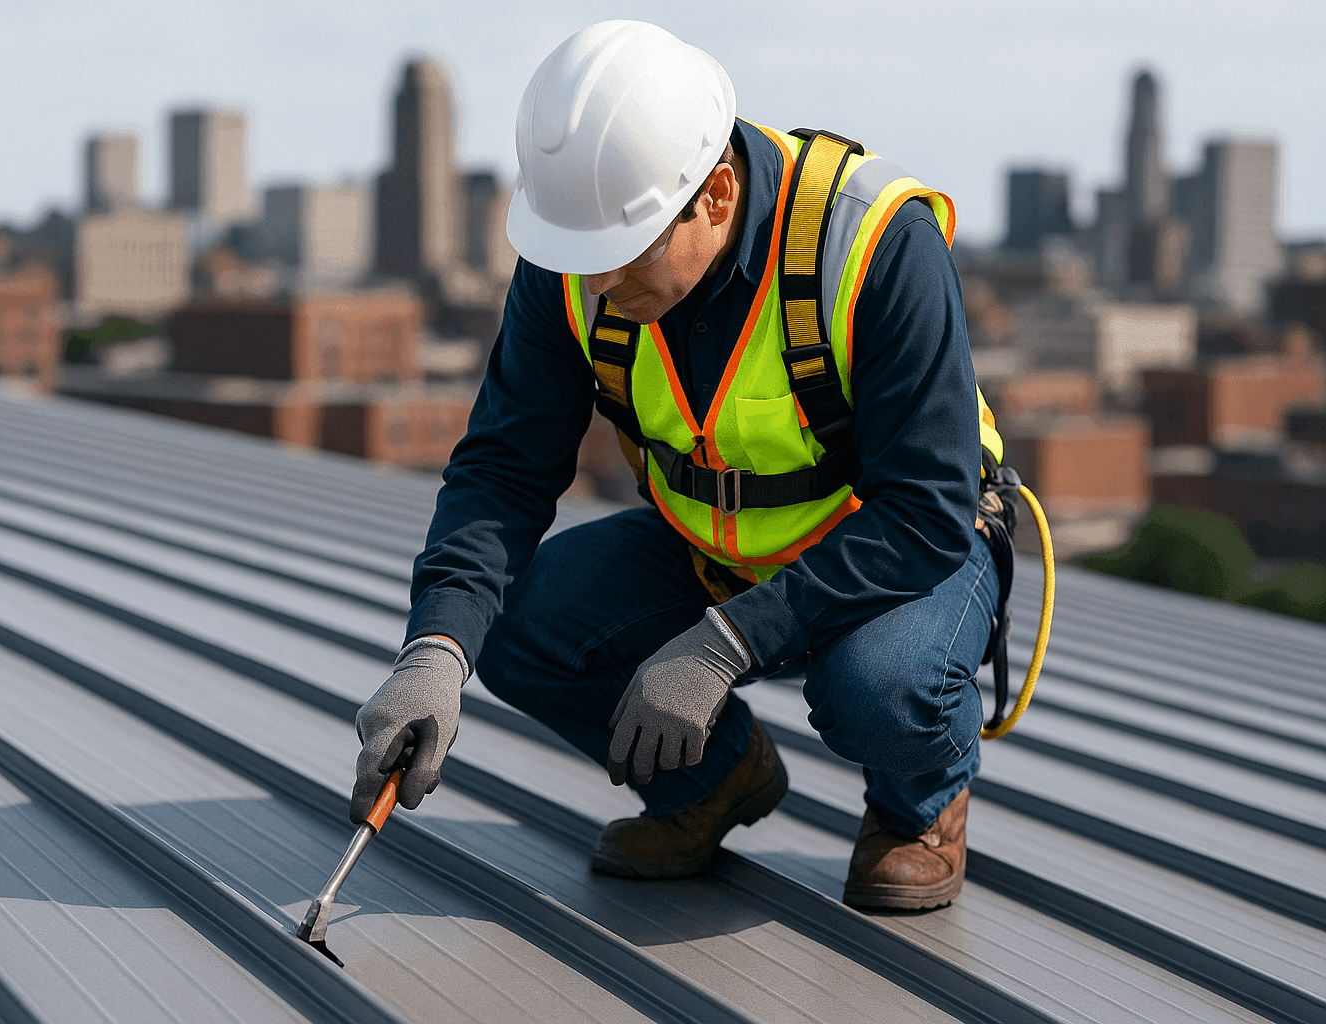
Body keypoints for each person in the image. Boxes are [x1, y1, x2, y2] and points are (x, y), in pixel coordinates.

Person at [351, 19, 1005, 911]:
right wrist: (436, 646)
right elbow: (505, 467)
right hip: (714, 548)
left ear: (719, 196)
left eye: (618, 259)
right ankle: (716, 781)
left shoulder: (873, 244)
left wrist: (725, 643)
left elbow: (926, 511)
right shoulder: (578, 259)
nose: (596, 286)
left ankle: (918, 806)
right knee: (508, 621)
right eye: (578, 260)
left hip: (899, 555)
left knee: (879, 689)